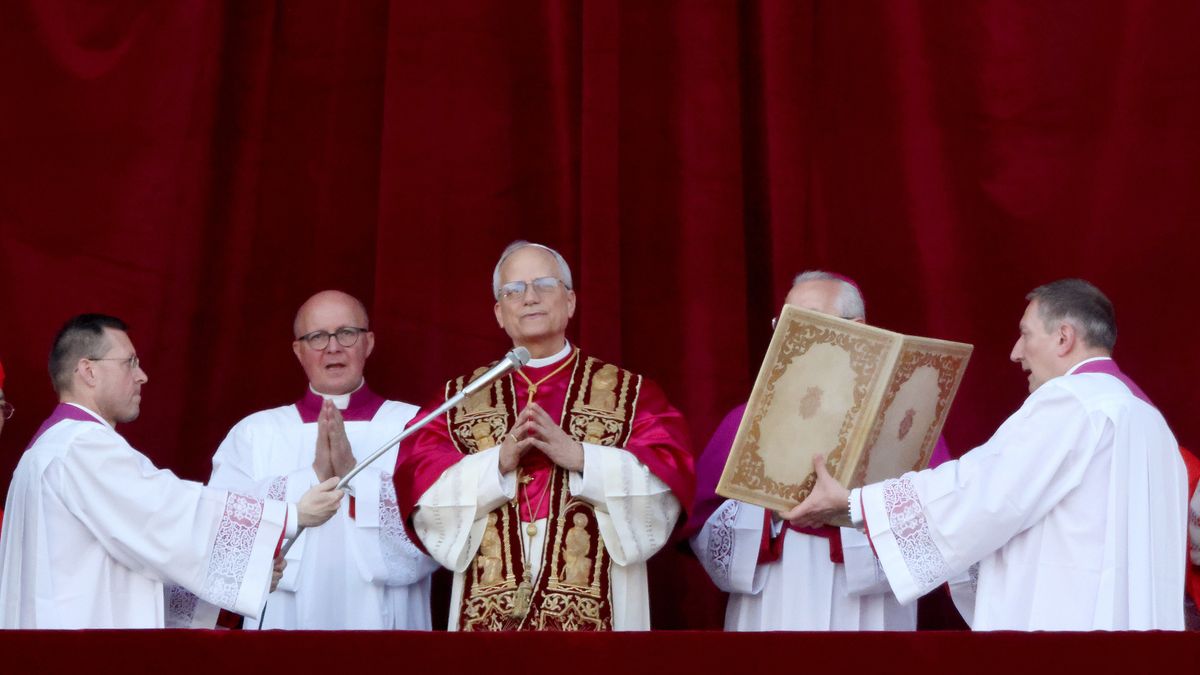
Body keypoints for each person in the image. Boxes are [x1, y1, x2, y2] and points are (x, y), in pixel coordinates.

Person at [784, 279, 1187, 630]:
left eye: (1026, 335)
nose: (1016, 353)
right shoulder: (1151, 423)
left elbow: (982, 493)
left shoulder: (1070, 403)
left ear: (1063, 338)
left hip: (1068, 630)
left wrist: (855, 503)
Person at [396, 241, 695, 631]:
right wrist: (496, 465)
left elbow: (667, 487)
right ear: (499, 313)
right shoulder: (459, 400)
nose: (530, 298)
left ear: (570, 301)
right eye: (514, 291)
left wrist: (583, 459)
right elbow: (422, 493)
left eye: (544, 285)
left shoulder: (632, 394)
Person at [0, 314, 343, 628]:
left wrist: (248, 566)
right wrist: (290, 513)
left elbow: (138, 548)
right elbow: (167, 511)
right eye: (130, 362)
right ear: (88, 371)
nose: (142, 375)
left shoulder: (53, 446)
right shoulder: (81, 446)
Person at [688, 271, 949, 630]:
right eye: (784, 321)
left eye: (808, 319)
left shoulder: (905, 419)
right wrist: (772, 512)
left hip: (869, 608)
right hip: (775, 590)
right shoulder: (748, 419)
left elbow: (935, 520)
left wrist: (852, 507)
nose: (791, 334)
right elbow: (705, 526)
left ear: (858, 327)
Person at [209, 290, 438, 629]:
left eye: (347, 333)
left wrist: (355, 475)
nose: (333, 347)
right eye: (317, 337)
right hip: (286, 618)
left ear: (369, 343)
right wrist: (310, 477)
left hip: (386, 621)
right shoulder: (255, 433)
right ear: (298, 351)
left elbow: (438, 526)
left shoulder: (414, 426)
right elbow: (221, 529)